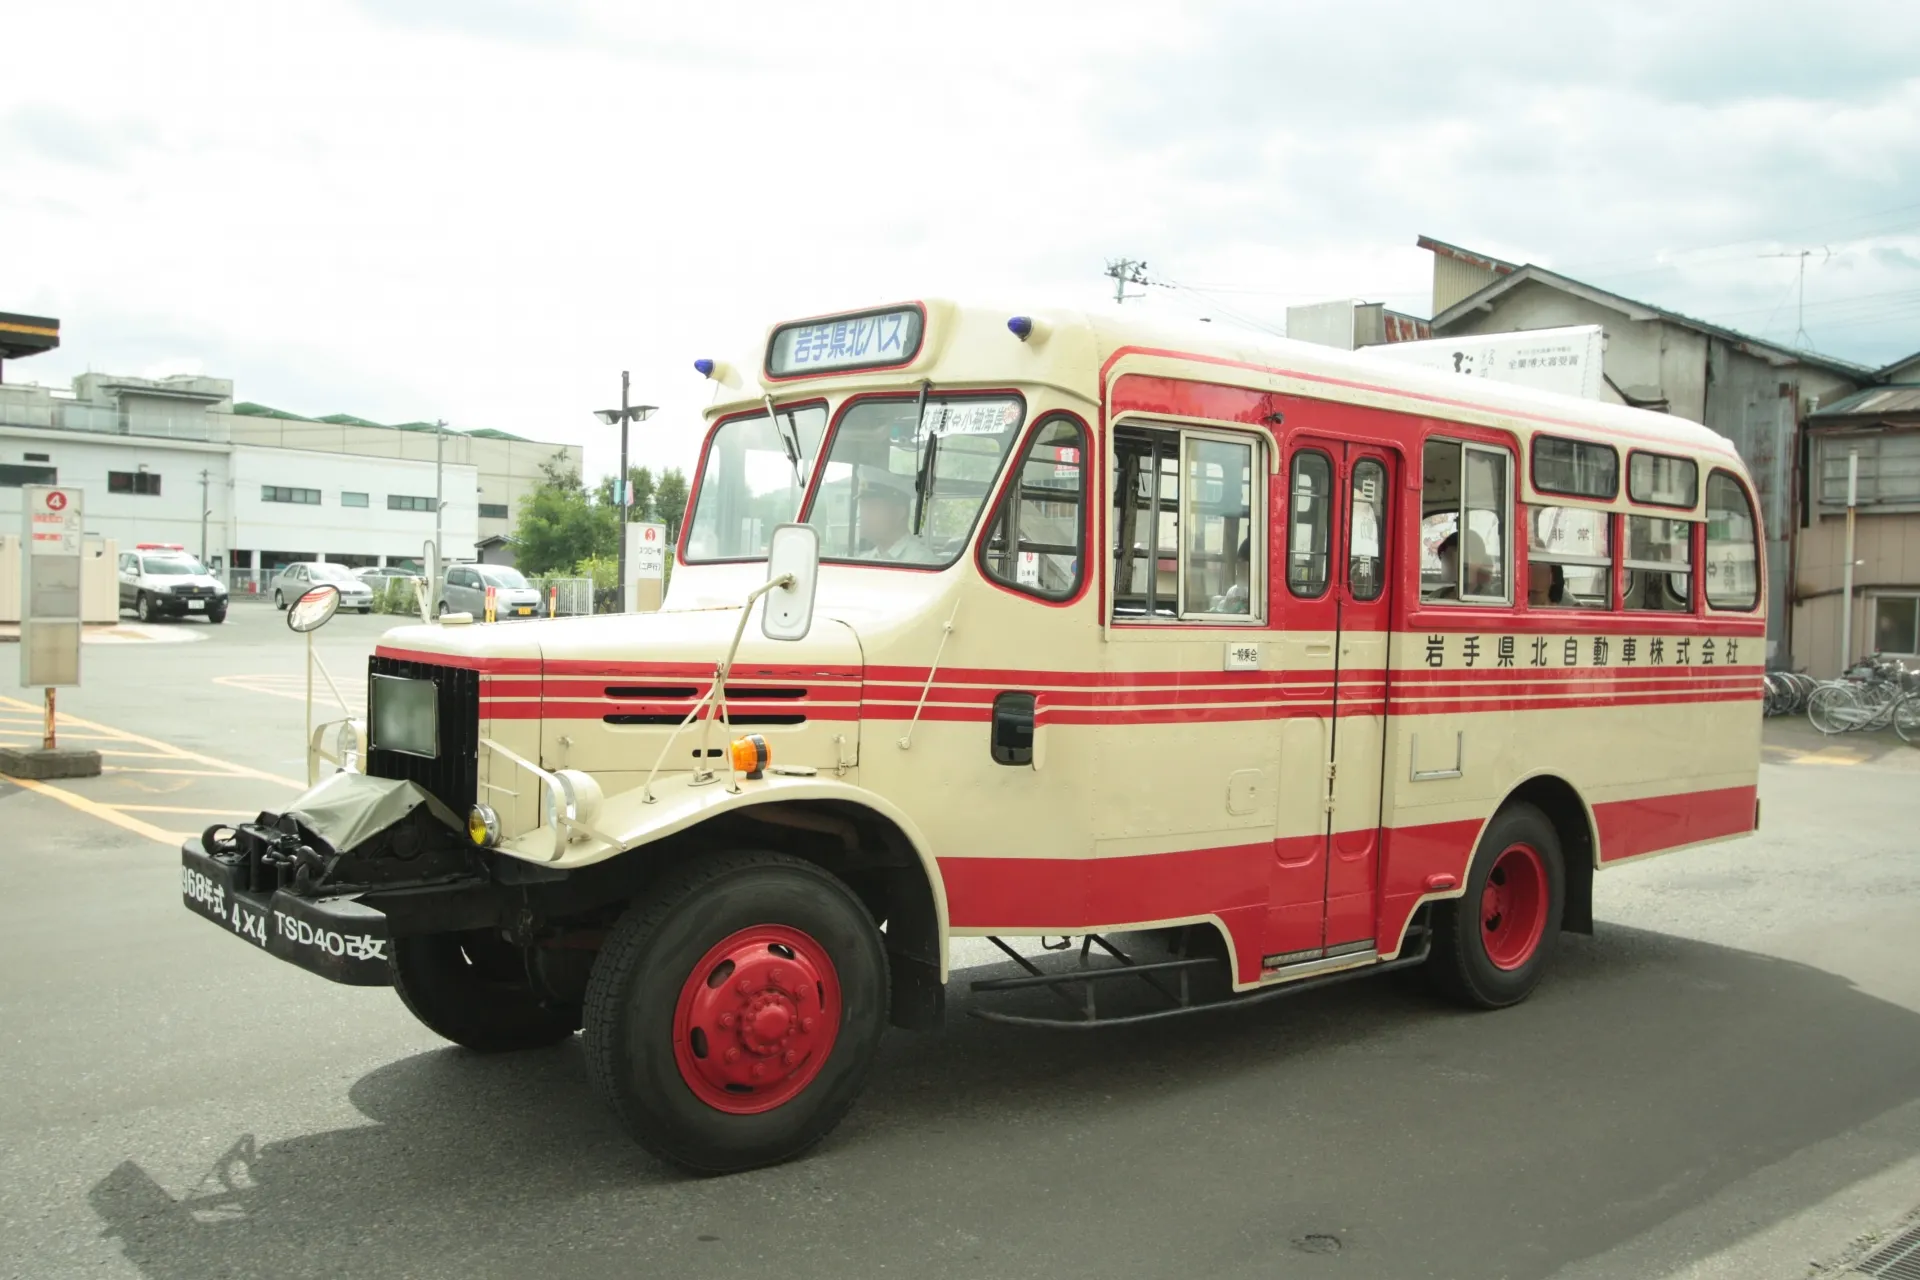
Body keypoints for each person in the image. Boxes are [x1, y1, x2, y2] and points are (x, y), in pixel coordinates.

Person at [856, 474, 931, 563]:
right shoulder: (865, 559)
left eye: (873, 507)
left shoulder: (922, 563)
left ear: (899, 513)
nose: (863, 515)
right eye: (862, 506)